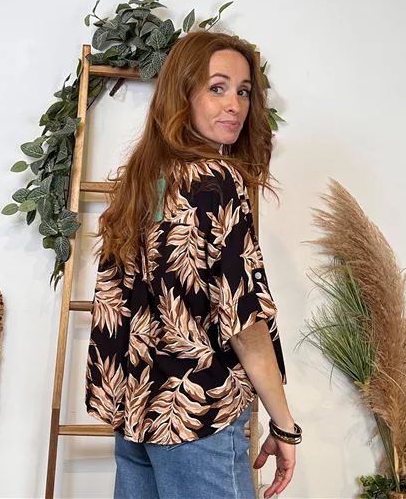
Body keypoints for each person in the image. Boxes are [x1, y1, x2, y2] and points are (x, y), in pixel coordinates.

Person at [85, 30, 301, 499]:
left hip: (139, 415)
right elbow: (243, 320)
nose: (235, 105)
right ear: (182, 93)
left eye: (243, 91)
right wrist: (285, 425)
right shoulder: (216, 182)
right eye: (217, 87)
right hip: (197, 418)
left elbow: (113, 309)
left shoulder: (141, 183)